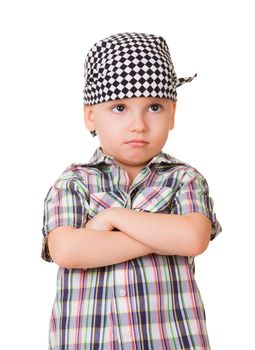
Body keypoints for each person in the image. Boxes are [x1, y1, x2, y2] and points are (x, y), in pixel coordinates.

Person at [41, 32, 222, 349]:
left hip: (171, 341)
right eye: (120, 107)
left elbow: (193, 239)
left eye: (154, 107)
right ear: (90, 116)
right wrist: (161, 237)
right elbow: (67, 250)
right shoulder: (73, 182)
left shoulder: (183, 179)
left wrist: (114, 217)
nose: (138, 124)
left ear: (173, 114)